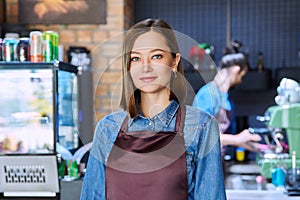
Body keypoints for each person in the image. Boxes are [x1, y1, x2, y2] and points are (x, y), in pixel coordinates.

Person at [80, 18, 226, 200]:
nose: (146, 67)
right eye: (136, 58)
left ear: (174, 62)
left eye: (157, 56)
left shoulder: (201, 127)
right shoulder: (108, 129)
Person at [192, 49, 262, 154]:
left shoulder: (226, 98)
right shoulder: (207, 95)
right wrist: (237, 139)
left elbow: (232, 139)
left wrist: (263, 148)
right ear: (236, 69)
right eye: (241, 75)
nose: (240, 80)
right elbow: (199, 136)